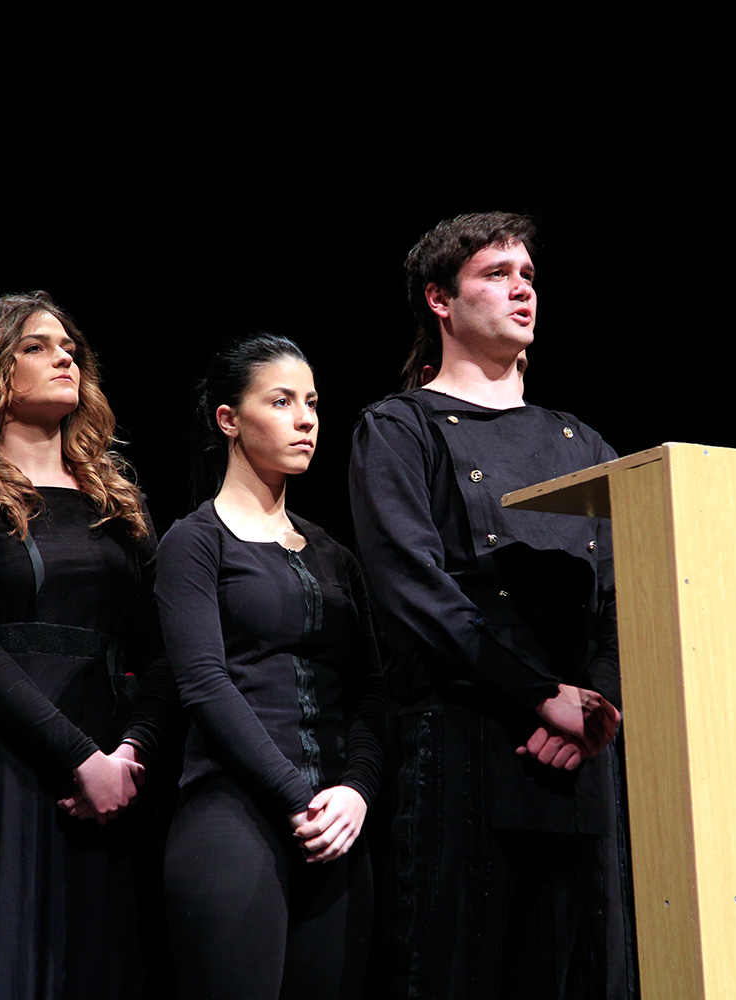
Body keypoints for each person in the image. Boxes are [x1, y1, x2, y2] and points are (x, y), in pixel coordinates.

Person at [349, 212, 635, 998]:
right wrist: (542, 696)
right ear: (439, 299)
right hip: (465, 742)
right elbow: (412, 589)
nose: (521, 290)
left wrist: (597, 707)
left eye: (529, 276)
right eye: (497, 274)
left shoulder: (585, 445)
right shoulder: (399, 427)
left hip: (582, 755)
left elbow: (627, 594)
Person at [0, 291, 175, 999]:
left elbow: (165, 645)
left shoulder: (116, 496)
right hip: (2, 759)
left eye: (70, 348)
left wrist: (131, 753)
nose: (65, 358)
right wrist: (80, 758)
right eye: (36, 346)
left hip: (113, 769)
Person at [154, 334, 387, 999]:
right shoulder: (195, 542)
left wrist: (356, 790)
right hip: (236, 818)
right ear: (229, 419)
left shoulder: (334, 554)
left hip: (337, 826)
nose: (305, 419)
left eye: (311, 402)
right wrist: (296, 797)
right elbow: (203, 685)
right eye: (281, 401)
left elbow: (372, 691)